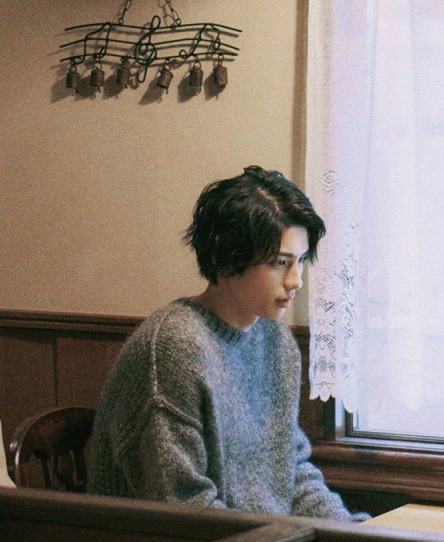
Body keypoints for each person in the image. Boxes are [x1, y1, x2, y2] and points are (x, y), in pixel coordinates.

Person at [88, 166, 367, 522]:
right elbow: (186, 510)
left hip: (259, 541)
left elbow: (293, 472)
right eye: (280, 263)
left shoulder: (275, 338)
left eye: (300, 262)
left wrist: (349, 536)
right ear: (226, 258)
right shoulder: (173, 347)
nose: (296, 280)